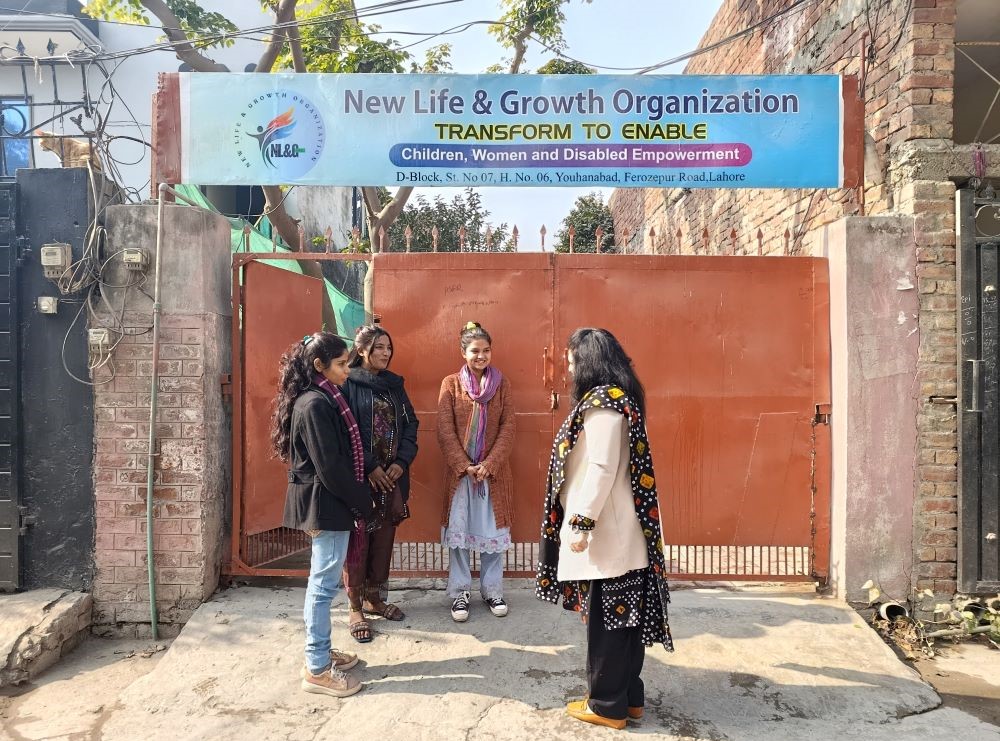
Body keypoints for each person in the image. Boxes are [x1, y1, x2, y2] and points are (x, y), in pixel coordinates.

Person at [535, 328, 674, 730]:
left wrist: (580, 523)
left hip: (606, 536)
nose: (569, 370)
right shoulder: (618, 399)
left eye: (572, 362)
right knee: (624, 622)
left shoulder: (602, 404)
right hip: (619, 534)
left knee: (608, 626)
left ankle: (607, 706)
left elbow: (601, 467)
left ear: (589, 362)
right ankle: (630, 699)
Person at [271, 331, 375, 698]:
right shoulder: (315, 404)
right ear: (319, 365)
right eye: (341, 364)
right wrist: (362, 501)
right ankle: (317, 668)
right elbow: (330, 467)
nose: (348, 370)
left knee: (323, 582)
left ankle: (321, 652)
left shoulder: (324, 397)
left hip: (328, 503)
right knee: (322, 586)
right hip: (325, 505)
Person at [341, 324, 419, 642]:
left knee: (384, 539)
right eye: (379, 347)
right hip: (361, 478)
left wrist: (401, 462)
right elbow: (345, 431)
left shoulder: (394, 385)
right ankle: (354, 606)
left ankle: (375, 598)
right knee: (358, 541)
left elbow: (411, 423)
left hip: (392, 479)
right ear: (362, 350)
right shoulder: (347, 384)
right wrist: (371, 467)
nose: (386, 353)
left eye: (389, 347)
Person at [437, 321, 516, 622]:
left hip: (491, 475)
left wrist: (489, 465)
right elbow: (445, 429)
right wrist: (464, 465)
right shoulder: (450, 385)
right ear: (463, 352)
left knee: (492, 532)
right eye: (474, 351)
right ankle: (460, 592)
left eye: (486, 350)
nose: (481, 356)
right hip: (461, 476)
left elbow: (508, 427)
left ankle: (492, 590)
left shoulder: (502, 384)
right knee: (459, 535)